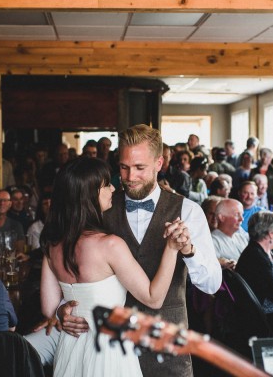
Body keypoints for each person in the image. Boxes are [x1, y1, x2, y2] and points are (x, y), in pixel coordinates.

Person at [47, 124, 221, 377]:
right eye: (124, 167)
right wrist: (63, 308)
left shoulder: (188, 211)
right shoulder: (100, 207)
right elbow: (74, 266)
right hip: (108, 354)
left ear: (159, 163)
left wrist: (188, 250)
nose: (130, 177)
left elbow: (212, 285)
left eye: (140, 168)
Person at [40, 157, 185, 377]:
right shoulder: (109, 245)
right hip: (108, 349)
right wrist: (172, 249)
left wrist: (62, 313)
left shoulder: (52, 246)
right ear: (89, 195)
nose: (113, 188)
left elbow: (49, 307)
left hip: (71, 347)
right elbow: (153, 298)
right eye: (106, 184)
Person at [211, 199, 248, 269]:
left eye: (242, 214)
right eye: (237, 214)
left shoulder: (242, 237)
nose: (242, 219)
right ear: (222, 217)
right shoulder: (213, 241)